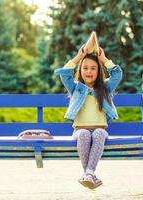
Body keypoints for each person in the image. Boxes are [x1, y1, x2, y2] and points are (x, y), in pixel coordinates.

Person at [54, 46, 123, 189]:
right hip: (79, 131)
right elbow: (65, 74)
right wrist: (79, 57)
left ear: (99, 72)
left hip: (100, 130)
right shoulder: (75, 88)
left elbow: (117, 75)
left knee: (98, 133)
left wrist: (103, 59)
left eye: (93, 68)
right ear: (80, 71)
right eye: (85, 68)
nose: (89, 71)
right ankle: (90, 174)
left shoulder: (105, 88)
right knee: (85, 134)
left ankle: (88, 174)